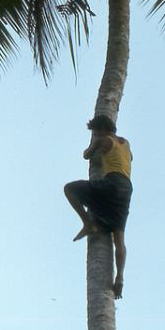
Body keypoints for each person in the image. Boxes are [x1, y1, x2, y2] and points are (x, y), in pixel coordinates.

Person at [64, 114, 133, 299]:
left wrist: (94, 145)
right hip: (126, 188)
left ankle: (88, 223)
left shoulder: (103, 140)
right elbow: (130, 158)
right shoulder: (125, 142)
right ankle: (119, 278)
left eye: (95, 131)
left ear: (101, 129)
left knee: (70, 189)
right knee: (118, 235)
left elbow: (86, 155)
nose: (94, 134)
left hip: (111, 183)